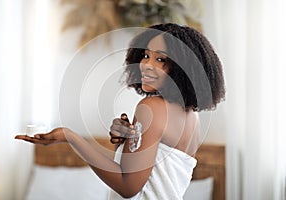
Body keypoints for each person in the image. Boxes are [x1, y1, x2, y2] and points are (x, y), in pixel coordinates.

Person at [15, 23, 225, 199]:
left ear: (181, 67)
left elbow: (128, 187)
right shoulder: (192, 117)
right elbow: (158, 172)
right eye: (145, 55)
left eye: (160, 59)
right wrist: (126, 143)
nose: (146, 65)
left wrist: (70, 137)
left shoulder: (151, 108)